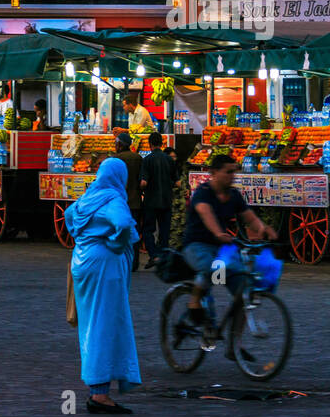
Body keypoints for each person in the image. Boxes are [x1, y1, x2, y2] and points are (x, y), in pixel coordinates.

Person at [64, 157, 141, 414]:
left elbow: (69, 214)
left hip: (83, 261)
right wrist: (116, 244)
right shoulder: (113, 199)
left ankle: (99, 389)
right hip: (104, 267)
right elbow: (122, 224)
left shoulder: (89, 196)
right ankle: (99, 395)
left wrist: (83, 238)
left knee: (91, 324)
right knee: (104, 325)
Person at [179, 154, 276, 346]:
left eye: (235, 172)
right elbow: (205, 213)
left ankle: (235, 345)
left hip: (221, 249)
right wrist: (218, 233)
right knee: (210, 268)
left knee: (243, 290)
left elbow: (249, 217)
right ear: (213, 173)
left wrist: (263, 229)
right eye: (228, 172)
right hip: (196, 246)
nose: (233, 176)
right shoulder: (203, 192)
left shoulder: (234, 196)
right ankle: (194, 301)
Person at [140, 132, 174, 268]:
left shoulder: (147, 160)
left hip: (151, 201)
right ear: (162, 143)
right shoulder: (169, 160)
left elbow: (143, 183)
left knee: (148, 229)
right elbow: (177, 182)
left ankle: (153, 255)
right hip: (166, 200)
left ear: (150, 144)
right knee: (164, 230)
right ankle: (163, 256)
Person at [113, 131, 146, 268]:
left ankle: (121, 262)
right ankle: (134, 262)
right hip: (135, 202)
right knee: (134, 233)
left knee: (118, 233)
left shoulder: (115, 160)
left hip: (119, 202)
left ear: (120, 145)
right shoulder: (138, 158)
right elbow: (142, 180)